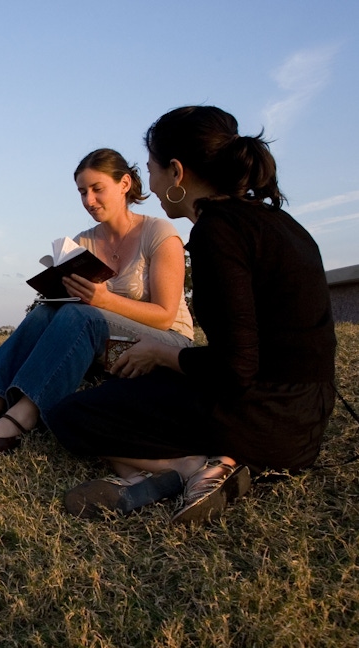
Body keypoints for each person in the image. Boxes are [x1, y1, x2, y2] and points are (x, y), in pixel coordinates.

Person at [46, 106, 337, 524]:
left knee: (70, 416)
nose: (153, 185)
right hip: (304, 424)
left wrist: (162, 355)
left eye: (153, 170)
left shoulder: (217, 232)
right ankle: (157, 475)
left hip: (262, 422)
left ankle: (192, 468)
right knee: (136, 394)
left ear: (177, 172)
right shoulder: (277, 221)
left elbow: (235, 367)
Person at [0, 148, 194, 454]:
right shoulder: (84, 241)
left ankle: (21, 418)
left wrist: (103, 300)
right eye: (82, 192)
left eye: (98, 190)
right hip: (110, 350)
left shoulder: (158, 232)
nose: (89, 201)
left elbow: (164, 316)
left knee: (81, 315)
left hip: (164, 346)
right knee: (48, 311)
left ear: (124, 184)